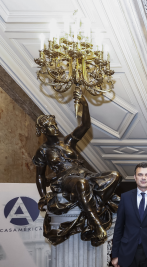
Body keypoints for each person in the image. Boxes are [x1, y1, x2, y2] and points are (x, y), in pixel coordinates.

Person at [34, 95, 121, 246]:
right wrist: (43, 197)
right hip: (65, 179)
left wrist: (84, 105)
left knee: (115, 176)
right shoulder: (43, 151)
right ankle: (96, 223)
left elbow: (85, 126)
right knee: (81, 184)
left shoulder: (68, 142)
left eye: (55, 125)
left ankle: (96, 205)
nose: (55, 128)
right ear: (43, 130)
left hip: (84, 173)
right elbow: (40, 176)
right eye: (50, 126)